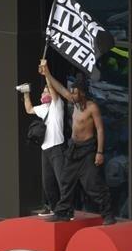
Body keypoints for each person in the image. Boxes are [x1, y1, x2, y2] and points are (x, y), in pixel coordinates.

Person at [38, 61, 114, 225]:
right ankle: (63, 213)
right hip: (73, 149)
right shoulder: (74, 102)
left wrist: (99, 152)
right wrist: (47, 73)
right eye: (72, 91)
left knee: (92, 185)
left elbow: (100, 130)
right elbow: (60, 89)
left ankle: (108, 214)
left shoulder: (92, 107)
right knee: (66, 181)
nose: (72, 93)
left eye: (75, 91)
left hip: (87, 151)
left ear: (83, 92)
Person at [21, 77, 66, 217]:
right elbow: (29, 109)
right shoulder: (43, 108)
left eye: (46, 91)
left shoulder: (57, 105)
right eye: (43, 91)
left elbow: (53, 90)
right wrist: (26, 93)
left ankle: (66, 209)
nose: (43, 94)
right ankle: (54, 208)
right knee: (47, 182)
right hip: (45, 149)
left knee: (62, 180)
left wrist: (47, 75)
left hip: (57, 147)